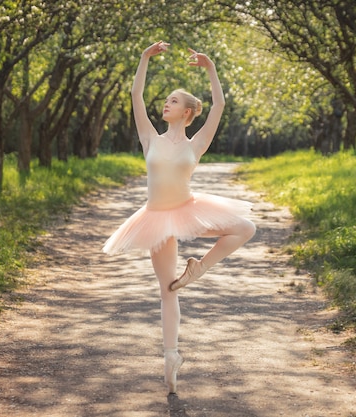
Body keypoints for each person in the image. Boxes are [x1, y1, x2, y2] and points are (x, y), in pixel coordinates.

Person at [103, 40, 256, 394]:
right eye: (167, 100)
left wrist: (211, 68)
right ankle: (171, 356)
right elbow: (135, 96)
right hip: (156, 219)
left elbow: (219, 104)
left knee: (245, 227)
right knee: (168, 290)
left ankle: (199, 268)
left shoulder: (196, 144)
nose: (166, 104)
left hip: (189, 210)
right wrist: (143, 57)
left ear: (187, 113)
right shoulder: (149, 138)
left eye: (173, 100)